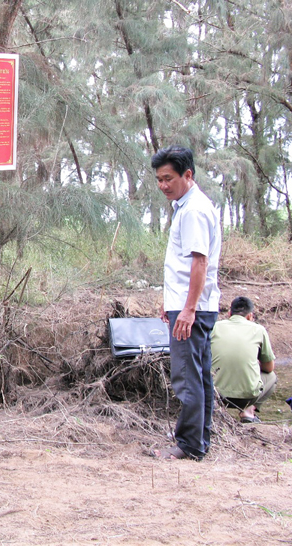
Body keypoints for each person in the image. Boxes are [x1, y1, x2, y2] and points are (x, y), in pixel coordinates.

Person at [151, 145, 221, 461]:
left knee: (186, 376)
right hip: (192, 303)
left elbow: (199, 263)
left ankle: (189, 444)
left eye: (169, 178)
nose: (163, 185)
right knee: (200, 374)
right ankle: (199, 442)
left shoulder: (193, 210)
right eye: (159, 179)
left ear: (187, 175)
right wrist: (173, 302)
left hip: (193, 308)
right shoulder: (187, 206)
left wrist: (188, 309)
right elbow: (184, 265)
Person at [211, 296, 277, 423]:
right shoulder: (259, 329)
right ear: (250, 316)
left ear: (229, 313)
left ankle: (214, 411)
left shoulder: (214, 327)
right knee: (272, 377)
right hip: (246, 397)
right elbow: (269, 368)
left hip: (215, 395)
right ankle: (248, 411)